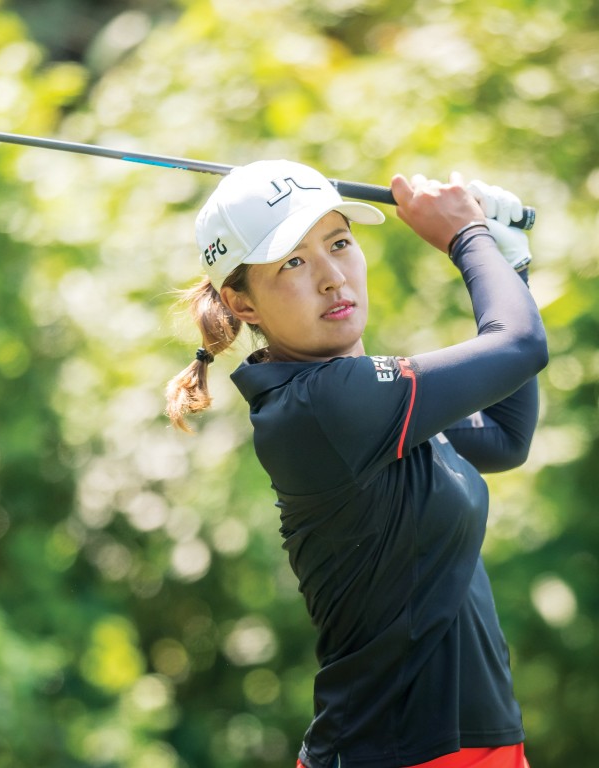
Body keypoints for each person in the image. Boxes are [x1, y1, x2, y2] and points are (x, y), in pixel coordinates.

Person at [165, 159, 548, 768]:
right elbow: (520, 345)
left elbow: (505, 436)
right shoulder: (323, 406)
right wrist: (468, 236)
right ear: (242, 303)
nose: (332, 277)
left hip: (476, 749)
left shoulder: (364, 406)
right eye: (293, 262)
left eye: (339, 243)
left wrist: (510, 263)